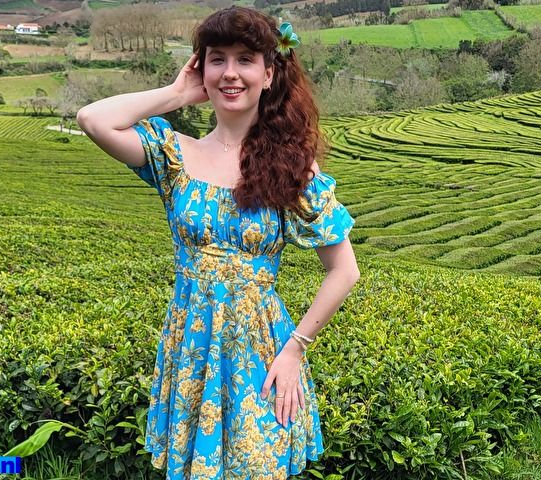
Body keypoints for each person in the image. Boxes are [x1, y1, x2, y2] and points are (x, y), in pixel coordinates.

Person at [77, 6, 360, 479]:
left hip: (261, 350)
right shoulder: (174, 155)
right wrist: (174, 94)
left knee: (258, 466)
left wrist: (295, 349)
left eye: (245, 59)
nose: (230, 73)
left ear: (268, 74)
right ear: (200, 69)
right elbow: (92, 119)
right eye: (217, 59)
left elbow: (344, 270)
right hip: (191, 346)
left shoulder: (292, 168)